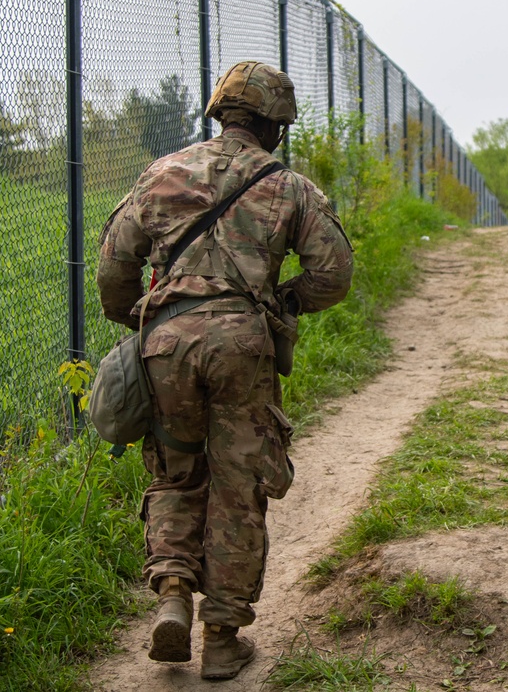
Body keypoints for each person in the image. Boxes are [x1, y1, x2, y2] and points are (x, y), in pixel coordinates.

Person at [96, 61, 353, 680]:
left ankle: (172, 596)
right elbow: (333, 274)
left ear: (220, 114)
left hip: (166, 341)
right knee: (240, 484)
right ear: (276, 127)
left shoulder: (161, 173)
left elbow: (112, 270)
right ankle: (222, 637)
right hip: (242, 342)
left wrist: (147, 321)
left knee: (176, 469)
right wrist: (283, 302)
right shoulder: (288, 186)